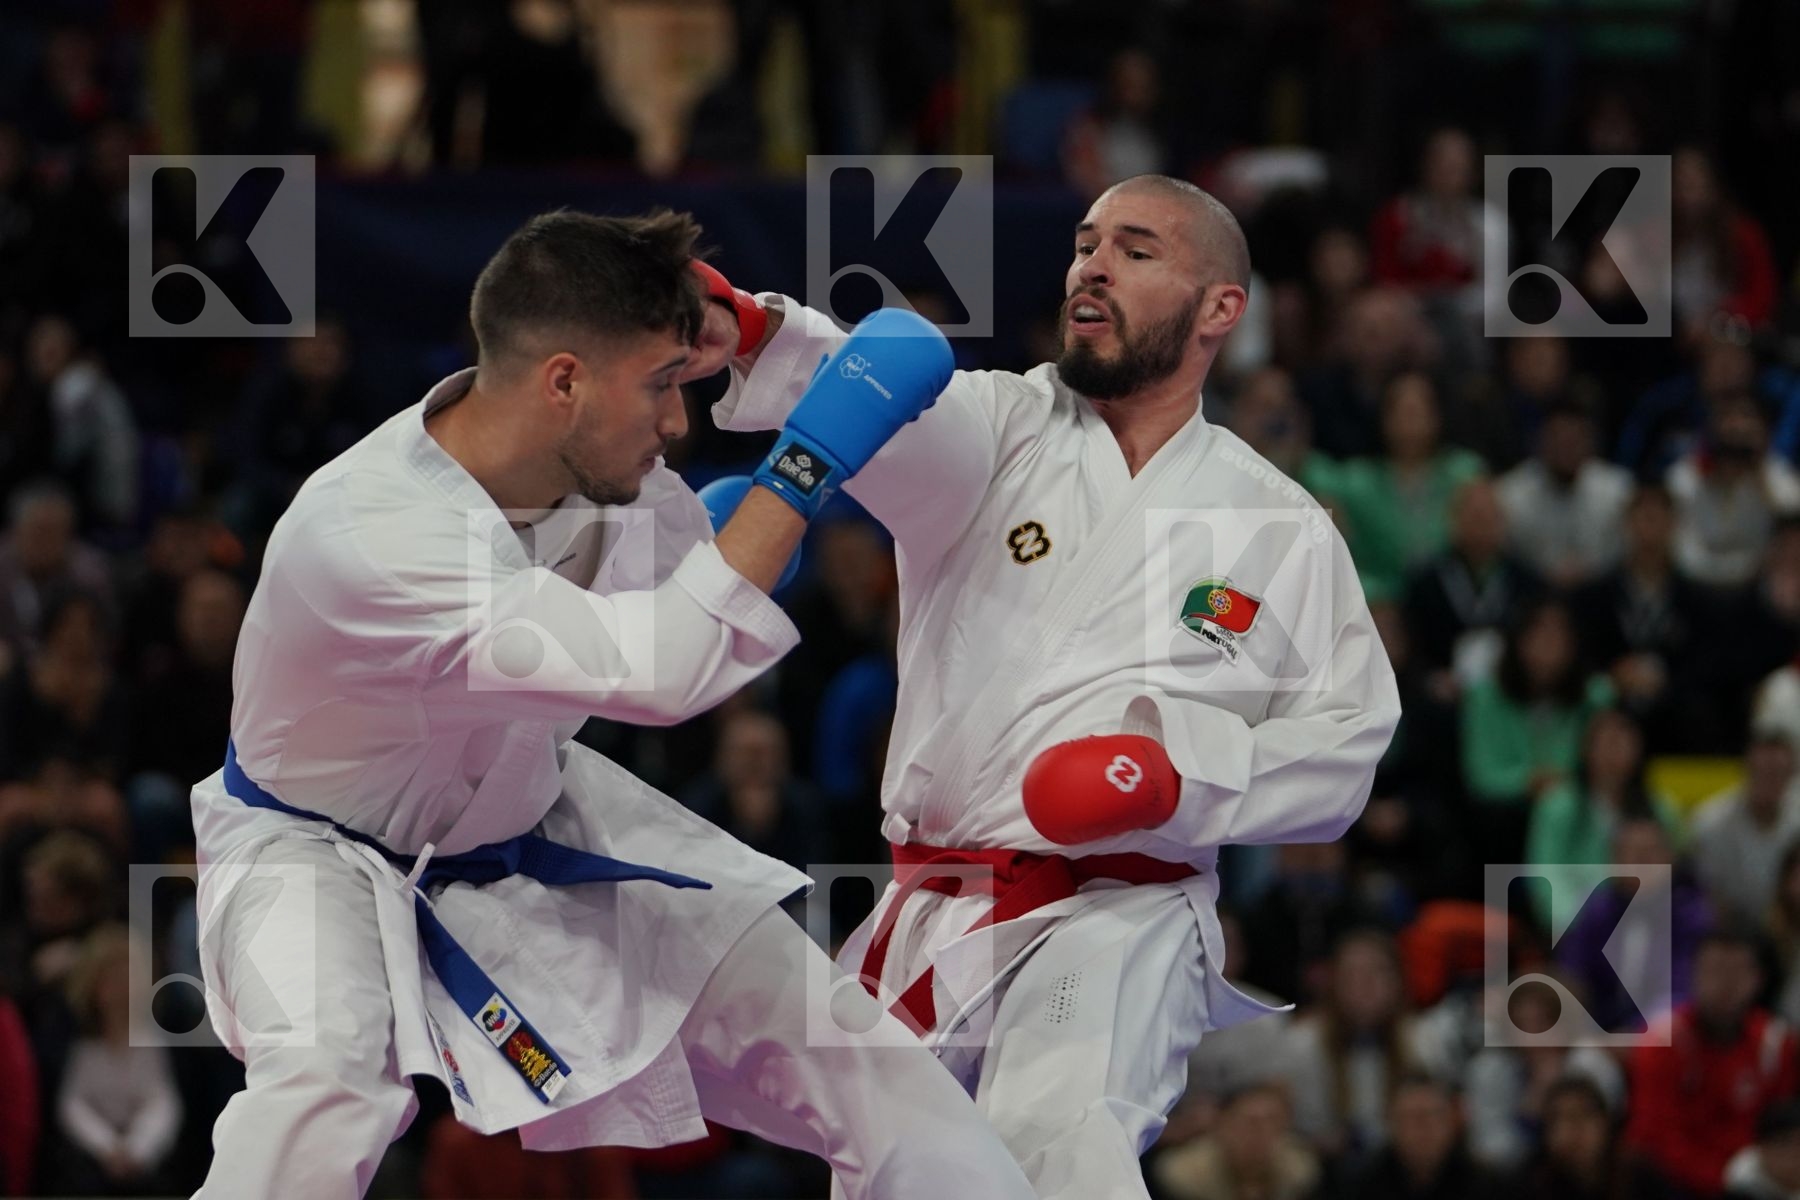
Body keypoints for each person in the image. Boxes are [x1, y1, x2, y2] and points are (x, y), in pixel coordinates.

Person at [189, 210, 1038, 1200]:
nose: (679, 423)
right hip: (313, 857)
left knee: (860, 1057)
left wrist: (746, 337)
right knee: (323, 1094)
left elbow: (679, 584)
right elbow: (666, 672)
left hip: (529, 821)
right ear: (564, 382)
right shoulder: (378, 538)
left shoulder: (583, 465)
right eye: (662, 385)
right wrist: (809, 459)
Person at [705, 173, 1401, 1197]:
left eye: (1136, 250)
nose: (1093, 267)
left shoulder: (1276, 524)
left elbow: (1347, 744)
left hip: (1122, 910)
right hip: (937, 902)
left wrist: (1173, 778)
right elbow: (882, 395)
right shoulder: (996, 425)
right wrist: (752, 331)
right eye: (1085, 244)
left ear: (1221, 308)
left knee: (1058, 1144)